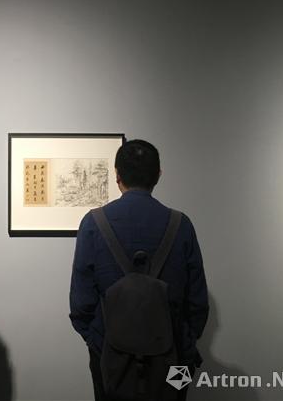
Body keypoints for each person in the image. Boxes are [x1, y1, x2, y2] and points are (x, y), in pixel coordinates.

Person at [69, 139, 209, 401]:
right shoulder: (181, 224)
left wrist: (101, 344)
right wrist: (183, 343)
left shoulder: (93, 223)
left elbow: (80, 305)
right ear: (158, 175)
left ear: (117, 175)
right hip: (175, 357)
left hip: (109, 358)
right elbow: (198, 304)